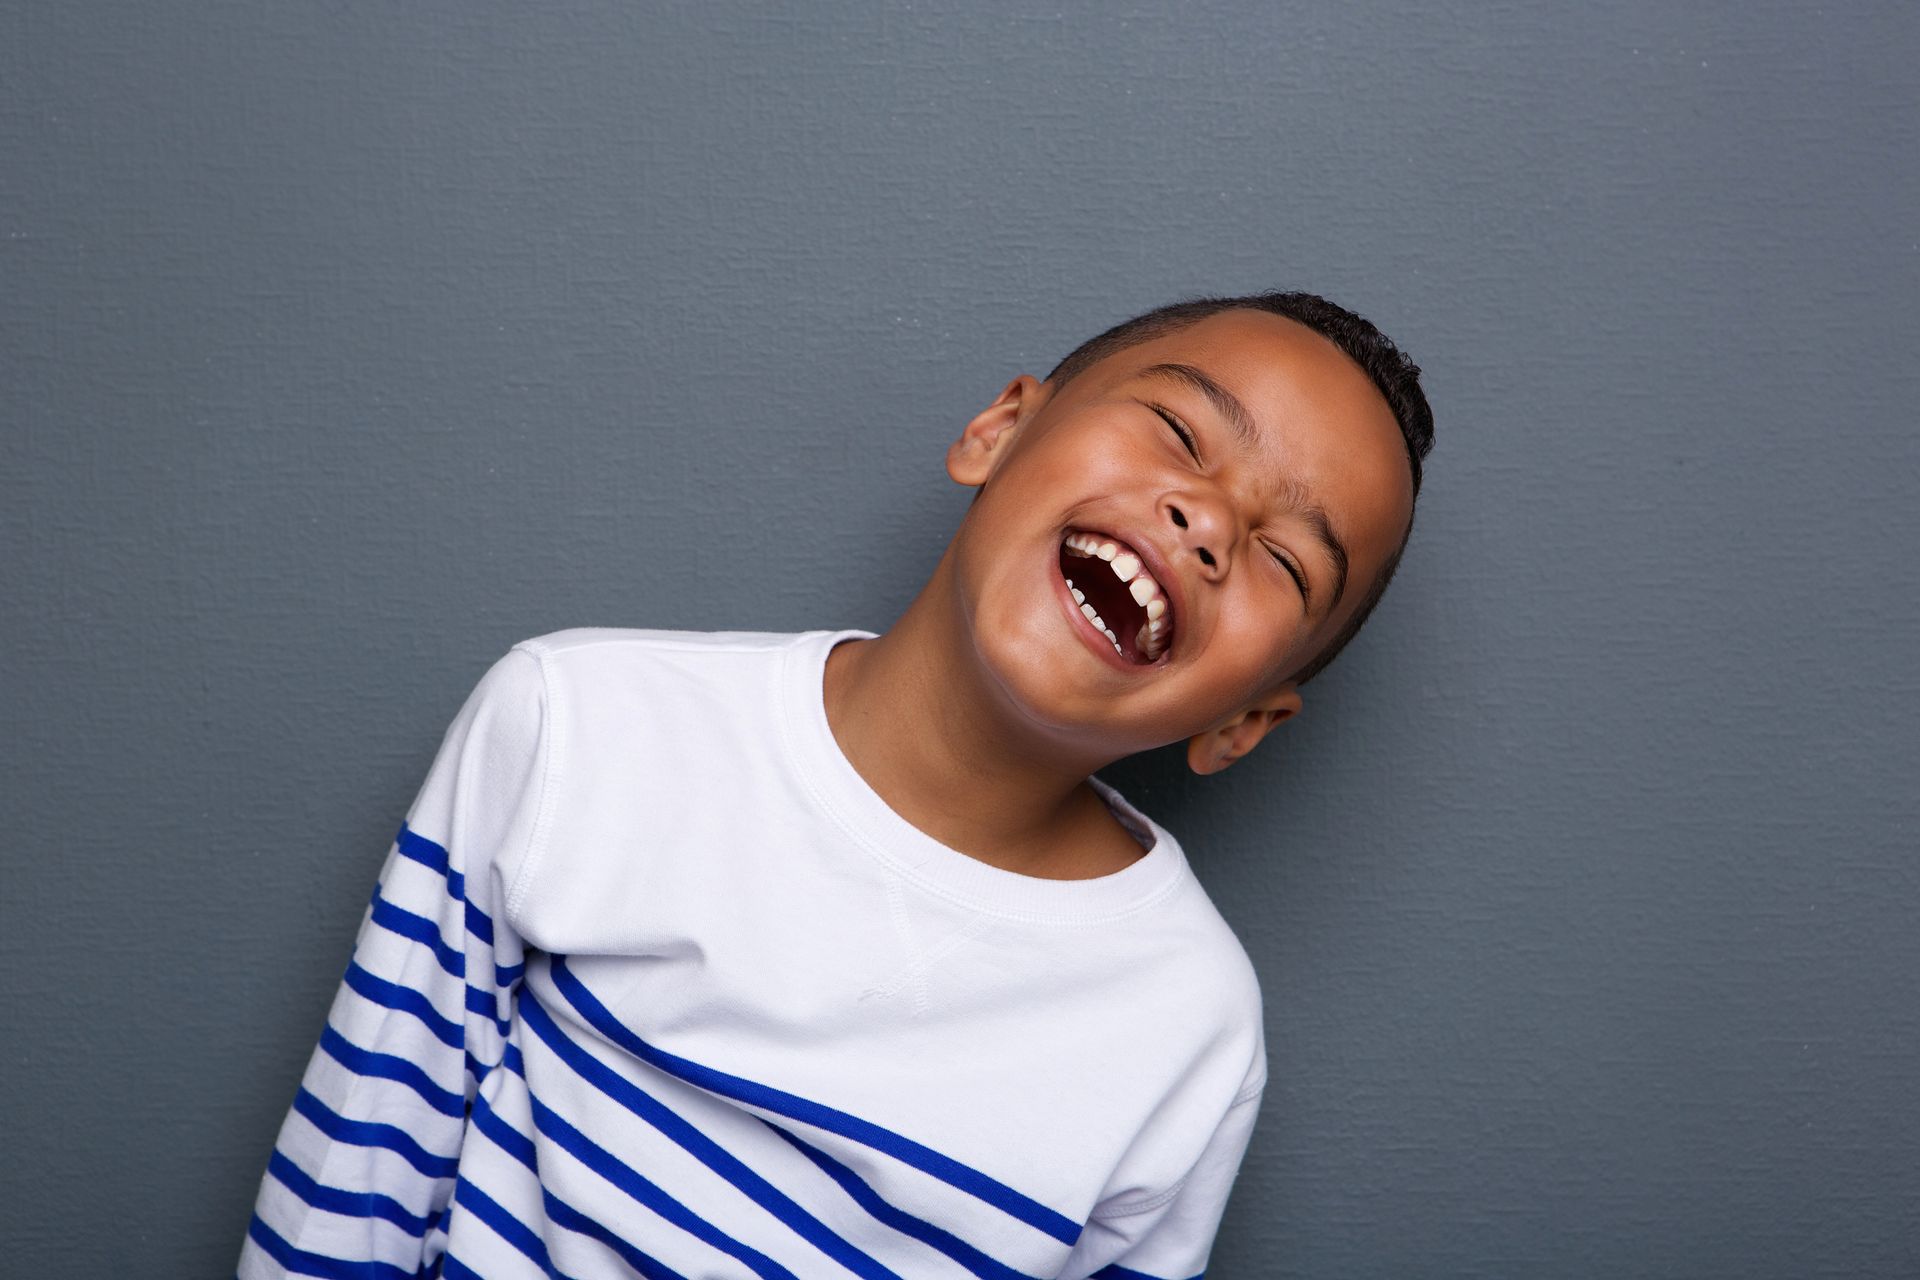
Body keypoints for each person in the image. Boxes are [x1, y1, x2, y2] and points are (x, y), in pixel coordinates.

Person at [238, 291, 1434, 1280]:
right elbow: (349, 1192)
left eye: (1283, 557)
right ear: (1000, 429)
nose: (1207, 520)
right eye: (1180, 433)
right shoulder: (579, 725)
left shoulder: (1191, 1030)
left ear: (1244, 722)